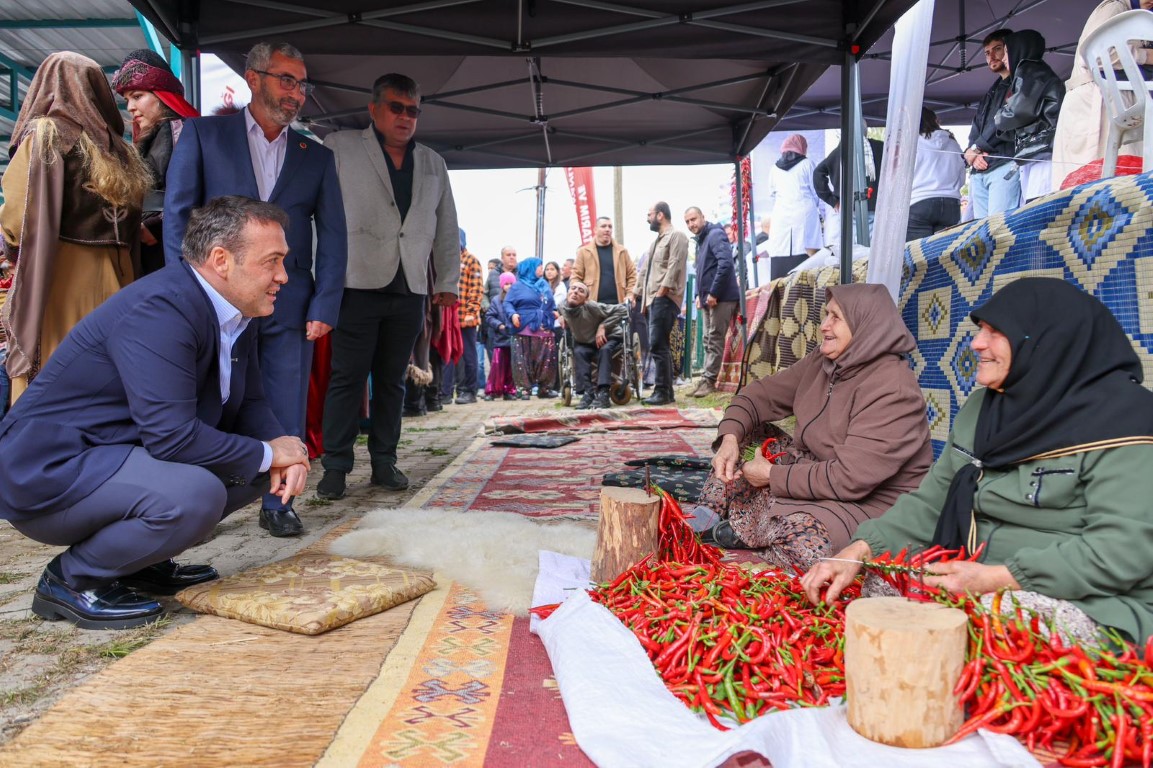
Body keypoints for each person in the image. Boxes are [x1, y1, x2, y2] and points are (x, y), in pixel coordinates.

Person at [0, 196, 311, 630]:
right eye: (272, 261)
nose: (283, 276)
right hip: (51, 474)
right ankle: (70, 580)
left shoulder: (234, 311)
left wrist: (285, 450)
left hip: (113, 457)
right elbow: (172, 437)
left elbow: (251, 403)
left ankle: (135, 562)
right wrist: (268, 452)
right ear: (221, 260)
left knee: (255, 469)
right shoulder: (161, 309)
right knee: (196, 492)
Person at [802, 278, 1153, 645]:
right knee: (879, 587)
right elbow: (932, 501)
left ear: (1046, 342)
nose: (976, 343)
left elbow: (1122, 548)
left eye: (995, 333)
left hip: (1090, 597)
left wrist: (999, 578)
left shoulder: (1126, 422)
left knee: (994, 625)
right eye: (980, 330)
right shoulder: (985, 409)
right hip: (980, 573)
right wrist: (859, 549)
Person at [164, 41, 347, 538]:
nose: (296, 93)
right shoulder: (204, 135)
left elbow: (333, 235)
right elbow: (179, 217)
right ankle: (199, 500)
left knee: (285, 400)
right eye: (286, 79)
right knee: (211, 398)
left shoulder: (317, 156)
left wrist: (326, 301)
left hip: (290, 300)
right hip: (214, 300)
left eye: (301, 84)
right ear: (253, 77)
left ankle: (278, 501)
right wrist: (182, 295)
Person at [700, 284, 932, 571]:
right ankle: (708, 515)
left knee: (808, 544)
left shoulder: (893, 389)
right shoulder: (823, 363)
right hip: (813, 475)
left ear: (864, 325)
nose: (823, 326)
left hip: (867, 504)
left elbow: (849, 478)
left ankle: (749, 528)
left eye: (836, 317)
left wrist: (772, 475)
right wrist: (730, 439)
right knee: (747, 433)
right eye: (826, 315)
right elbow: (757, 396)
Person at [317, 72, 459, 501]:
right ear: (374, 109)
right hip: (355, 282)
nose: (405, 117)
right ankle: (336, 467)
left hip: (410, 286)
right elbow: (319, 215)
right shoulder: (339, 147)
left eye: (413, 110)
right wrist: (320, 278)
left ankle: (384, 462)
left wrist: (447, 281)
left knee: (393, 380)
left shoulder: (434, 162)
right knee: (347, 378)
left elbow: (447, 227)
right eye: (396, 107)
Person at [1, 52, 153, 405]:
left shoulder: (47, 136)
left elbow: (16, 217)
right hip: (120, 278)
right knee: (108, 370)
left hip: (60, 278)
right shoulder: (123, 151)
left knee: (52, 368)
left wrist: (10, 247)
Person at [111, 49, 199, 276]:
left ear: (163, 95)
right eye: (127, 99)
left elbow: (186, 196)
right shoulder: (167, 133)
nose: (130, 107)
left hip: (171, 246)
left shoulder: (180, 132)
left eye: (138, 96)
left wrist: (151, 226)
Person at [1051, 0, 1153, 189]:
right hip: (1094, 101)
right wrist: (1146, 56)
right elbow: (1098, 55)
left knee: (1125, 183)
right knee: (1090, 182)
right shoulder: (1114, 7)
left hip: (1118, 101)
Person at [993, 30, 1064, 204]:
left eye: (1006, 52)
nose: (1003, 58)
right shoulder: (1032, 71)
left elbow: (1015, 113)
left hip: (1042, 152)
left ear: (1019, 49)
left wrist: (999, 117)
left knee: (1038, 208)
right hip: (1038, 152)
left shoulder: (1031, 71)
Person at [965, 29, 1022, 219]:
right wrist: (971, 153)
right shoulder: (992, 90)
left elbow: (1006, 121)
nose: (992, 56)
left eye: (997, 49)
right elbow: (977, 124)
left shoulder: (1019, 81)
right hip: (981, 170)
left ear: (1009, 49)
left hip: (1005, 164)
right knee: (982, 237)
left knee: (998, 233)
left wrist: (977, 147)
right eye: (987, 53)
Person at [637, 202, 689, 406]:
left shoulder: (677, 236)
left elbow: (675, 264)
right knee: (659, 345)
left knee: (658, 345)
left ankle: (662, 391)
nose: (647, 218)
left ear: (660, 215)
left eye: (649, 214)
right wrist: (635, 293)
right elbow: (645, 272)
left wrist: (662, 291)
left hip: (665, 299)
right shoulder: (655, 243)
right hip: (652, 300)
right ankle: (666, 392)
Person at [685, 207, 739, 398]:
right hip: (709, 299)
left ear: (703, 217)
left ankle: (709, 381)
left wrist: (714, 292)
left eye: (694, 219)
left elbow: (725, 264)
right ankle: (706, 379)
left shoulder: (715, 234)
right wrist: (700, 295)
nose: (691, 224)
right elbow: (704, 271)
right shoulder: (701, 241)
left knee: (714, 338)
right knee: (708, 340)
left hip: (721, 298)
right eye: (688, 222)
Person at [560, 280, 629, 410]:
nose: (575, 291)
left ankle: (603, 393)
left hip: (609, 337)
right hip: (586, 341)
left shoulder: (592, 306)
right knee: (578, 351)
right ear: (567, 292)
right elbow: (560, 312)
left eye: (581, 291)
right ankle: (588, 393)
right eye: (573, 288)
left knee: (605, 350)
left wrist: (603, 326)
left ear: (586, 299)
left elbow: (622, 310)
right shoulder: (562, 307)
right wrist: (560, 317)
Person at [907, 107, 966, 242]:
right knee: (946, 257)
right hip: (951, 202)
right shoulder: (952, 143)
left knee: (917, 257)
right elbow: (961, 175)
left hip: (918, 201)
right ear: (934, 120)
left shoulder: (912, 142)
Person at [505, 257, 558, 399]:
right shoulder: (517, 286)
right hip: (524, 326)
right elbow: (508, 303)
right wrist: (513, 315)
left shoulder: (544, 285)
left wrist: (555, 311)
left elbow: (550, 303)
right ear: (529, 268)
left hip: (544, 327)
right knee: (522, 359)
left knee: (547, 358)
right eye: (539, 266)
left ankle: (545, 389)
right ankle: (524, 389)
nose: (542, 269)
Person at [813, 137, 885, 239]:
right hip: (876, 206)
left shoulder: (842, 150)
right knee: (872, 248)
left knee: (853, 249)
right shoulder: (880, 147)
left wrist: (832, 200)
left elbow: (818, 173)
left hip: (848, 207)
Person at [765, 134, 823, 257]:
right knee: (806, 253)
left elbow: (772, 193)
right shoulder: (807, 164)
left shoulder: (774, 168)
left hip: (781, 215)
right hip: (805, 213)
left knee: (783, 251)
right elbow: (816, 191)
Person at [443, 233, 483, 405]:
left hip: (465, 318)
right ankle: (445, 392)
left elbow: (476, 289)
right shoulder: (445, 260)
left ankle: (469, 391)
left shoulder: (470, 260)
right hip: (448, 319)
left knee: (468, 356)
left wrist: (471, 312)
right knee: (446, 356)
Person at [573, 217, 637, 306]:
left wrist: (630, 294)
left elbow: (632, 275)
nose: (607, 229)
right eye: (603, 226)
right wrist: (580, 296)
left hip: (618, 305)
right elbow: (576, 277)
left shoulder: (622, 252)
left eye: (610, 227)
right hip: (592, 306)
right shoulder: (583, 252)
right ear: (595, 229)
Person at [483, 272, 519, 401]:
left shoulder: (518, 300)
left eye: (511, 284)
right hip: (500, 337)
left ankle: (509, 390)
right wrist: (499, 325)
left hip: (514, 338)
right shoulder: (496, 300)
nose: (509, 286)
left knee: (512, 366)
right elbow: (489, 316)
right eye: (506, 284)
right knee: (497, 365)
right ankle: (492, 391)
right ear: (502, 285)